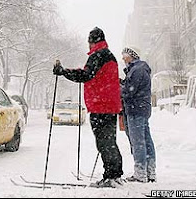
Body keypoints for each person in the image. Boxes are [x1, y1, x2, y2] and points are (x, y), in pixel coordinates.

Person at [53, 27, 124, 188]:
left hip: (101, 106)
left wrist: (63, 72)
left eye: (89, 41)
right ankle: (115, 174)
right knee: (110, 141)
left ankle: (111, 176)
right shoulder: (108, 55)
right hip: (109, 105)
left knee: (104, 143)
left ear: (92, 42)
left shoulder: (98, 55)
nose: (88, 45)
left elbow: (86, 75)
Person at [121, 46, 156, 183]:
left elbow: (129, 91)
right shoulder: (140, 69)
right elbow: (131, 86)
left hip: (135, 109)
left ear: (131, 55)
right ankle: (150, 172)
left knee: (138, 142)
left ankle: (140, 173)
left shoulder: (137, 69)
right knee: (146, 140)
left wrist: (117, 88)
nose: (123, 58)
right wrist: (122, 83)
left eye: (124, 55)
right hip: (142, 108)